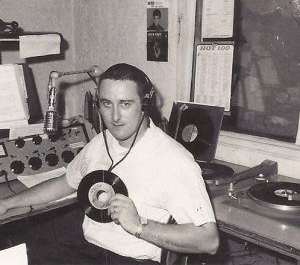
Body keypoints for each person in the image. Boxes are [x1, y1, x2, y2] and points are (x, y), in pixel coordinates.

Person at [0, 63, 219, 264]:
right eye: (107, 104)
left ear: (145, 104)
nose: (115, 117)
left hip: (131, 260)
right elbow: (65, 182)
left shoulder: (174, 160)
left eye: (125, 104)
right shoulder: (100, 142)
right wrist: (8, 203)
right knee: (15, 255)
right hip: (88, 251)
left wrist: (139, 225)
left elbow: (209, 241)